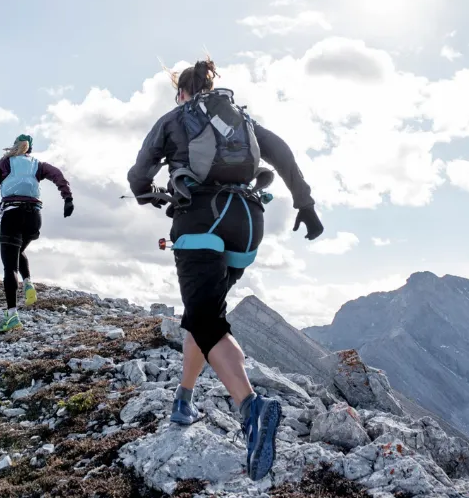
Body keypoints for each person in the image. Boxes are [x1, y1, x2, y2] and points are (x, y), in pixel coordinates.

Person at [127, 59, 323, 482]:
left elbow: (138, 175)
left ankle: (250, 409)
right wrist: (305, 205)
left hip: (201, 218)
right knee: (206, 314)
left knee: (203, 317)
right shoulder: (242, 121)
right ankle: (184, 399)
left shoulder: (176, 118)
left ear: (182, 91)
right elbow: (283, 155)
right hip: (248, 223)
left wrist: (151, 195)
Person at [0, 134, 74, 333]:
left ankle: (12, 315)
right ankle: (28, 282)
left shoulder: (5, 163)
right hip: (34, 217)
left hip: (12, 213)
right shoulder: (38, 164)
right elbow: (57, 174)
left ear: (15, 146)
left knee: (9, 266)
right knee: (19, 250)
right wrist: (67, 198)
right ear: (29, 149)